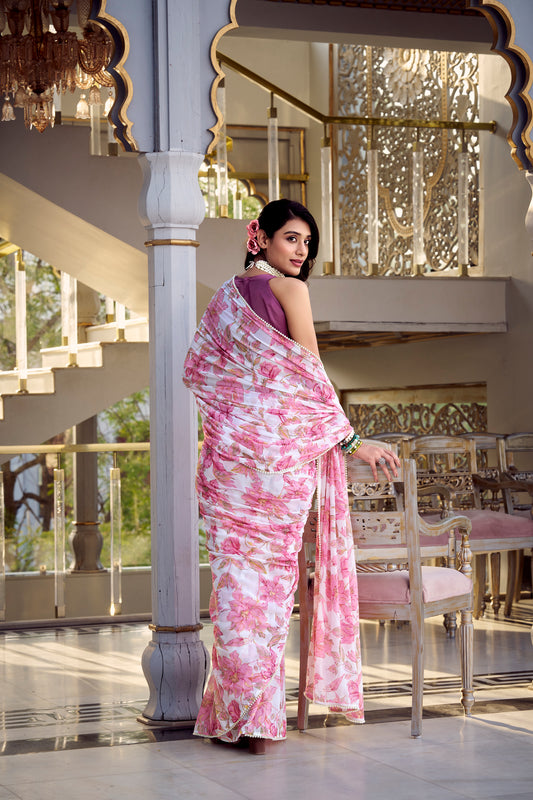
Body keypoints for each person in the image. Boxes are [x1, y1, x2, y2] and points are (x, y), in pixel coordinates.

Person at [183, 199, 400, 755]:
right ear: (261, 238)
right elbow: (311, 380)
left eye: (307, 242)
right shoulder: (291, 292)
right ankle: (255, 726)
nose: (301, 251)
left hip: (227, 462)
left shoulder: (224, 300)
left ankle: (230, 719)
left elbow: (202, 374)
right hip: (275, 469)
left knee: (235, 592)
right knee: (266, 597)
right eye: (291, 239)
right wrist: (354, 442)